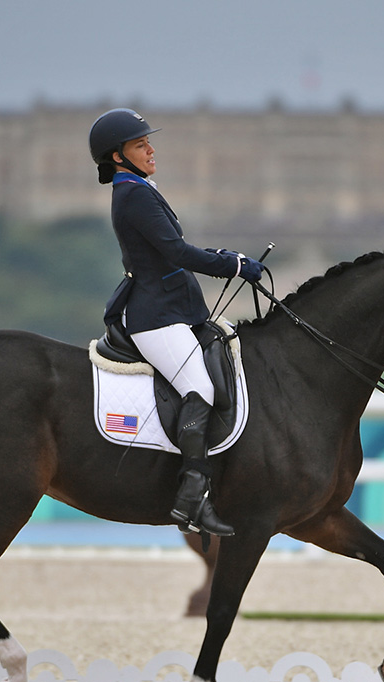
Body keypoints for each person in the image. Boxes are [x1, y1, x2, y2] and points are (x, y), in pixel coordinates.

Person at [89, 108, 264, 538]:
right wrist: (233, 264)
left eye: (149, 142)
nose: (151, 149)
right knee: (199, 387)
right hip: (156, 317)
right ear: (117, 157)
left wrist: (225, 257)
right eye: (140, 144)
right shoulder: (134, 194)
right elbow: (179, 253)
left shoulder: (138, 188)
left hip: (174, 309)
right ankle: (191, 497)